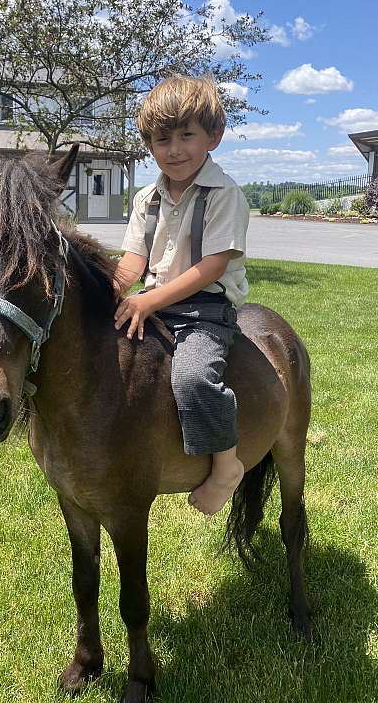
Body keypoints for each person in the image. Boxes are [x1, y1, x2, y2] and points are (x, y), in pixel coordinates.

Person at [113, 75, 250, 516]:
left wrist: (147, 301)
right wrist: (110, 292)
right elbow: (133, 260)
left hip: (205, 308)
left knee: (193, 378)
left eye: (187, 135)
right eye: (161, 139)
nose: (174, 150)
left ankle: (227, 466)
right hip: (153, 304)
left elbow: (212, 266)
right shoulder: (146, 198)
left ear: (214, 136)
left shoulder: (223, 194)